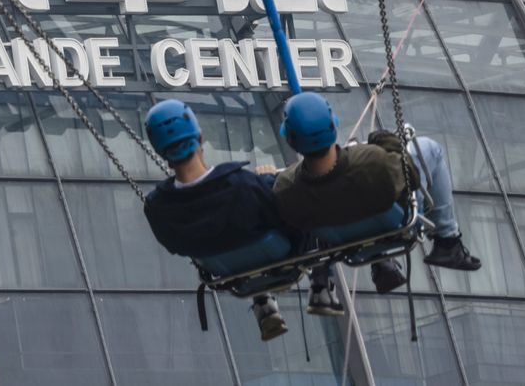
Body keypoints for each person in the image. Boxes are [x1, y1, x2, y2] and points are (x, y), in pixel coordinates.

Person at [141, 99, 343, 342]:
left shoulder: (159, 208)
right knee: (306, 206)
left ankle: (263, 301)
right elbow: (285, 210)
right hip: (284, 256)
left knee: (234, 239)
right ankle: (321, 283)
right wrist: (271, 181)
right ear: (200, 137)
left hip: (227, 270)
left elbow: (176, 246)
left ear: (159, 150)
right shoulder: (243, 185)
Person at [272, 92, 481, 292]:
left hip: (342, 236)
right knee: (429, 149)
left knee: (348, 202)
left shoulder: (286, 189)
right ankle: (447, 240)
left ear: (291, 140)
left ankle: (381, 261)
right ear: (332, 127)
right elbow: (411, 177)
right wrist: (387, 141)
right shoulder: (371, 161)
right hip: (396, 222)